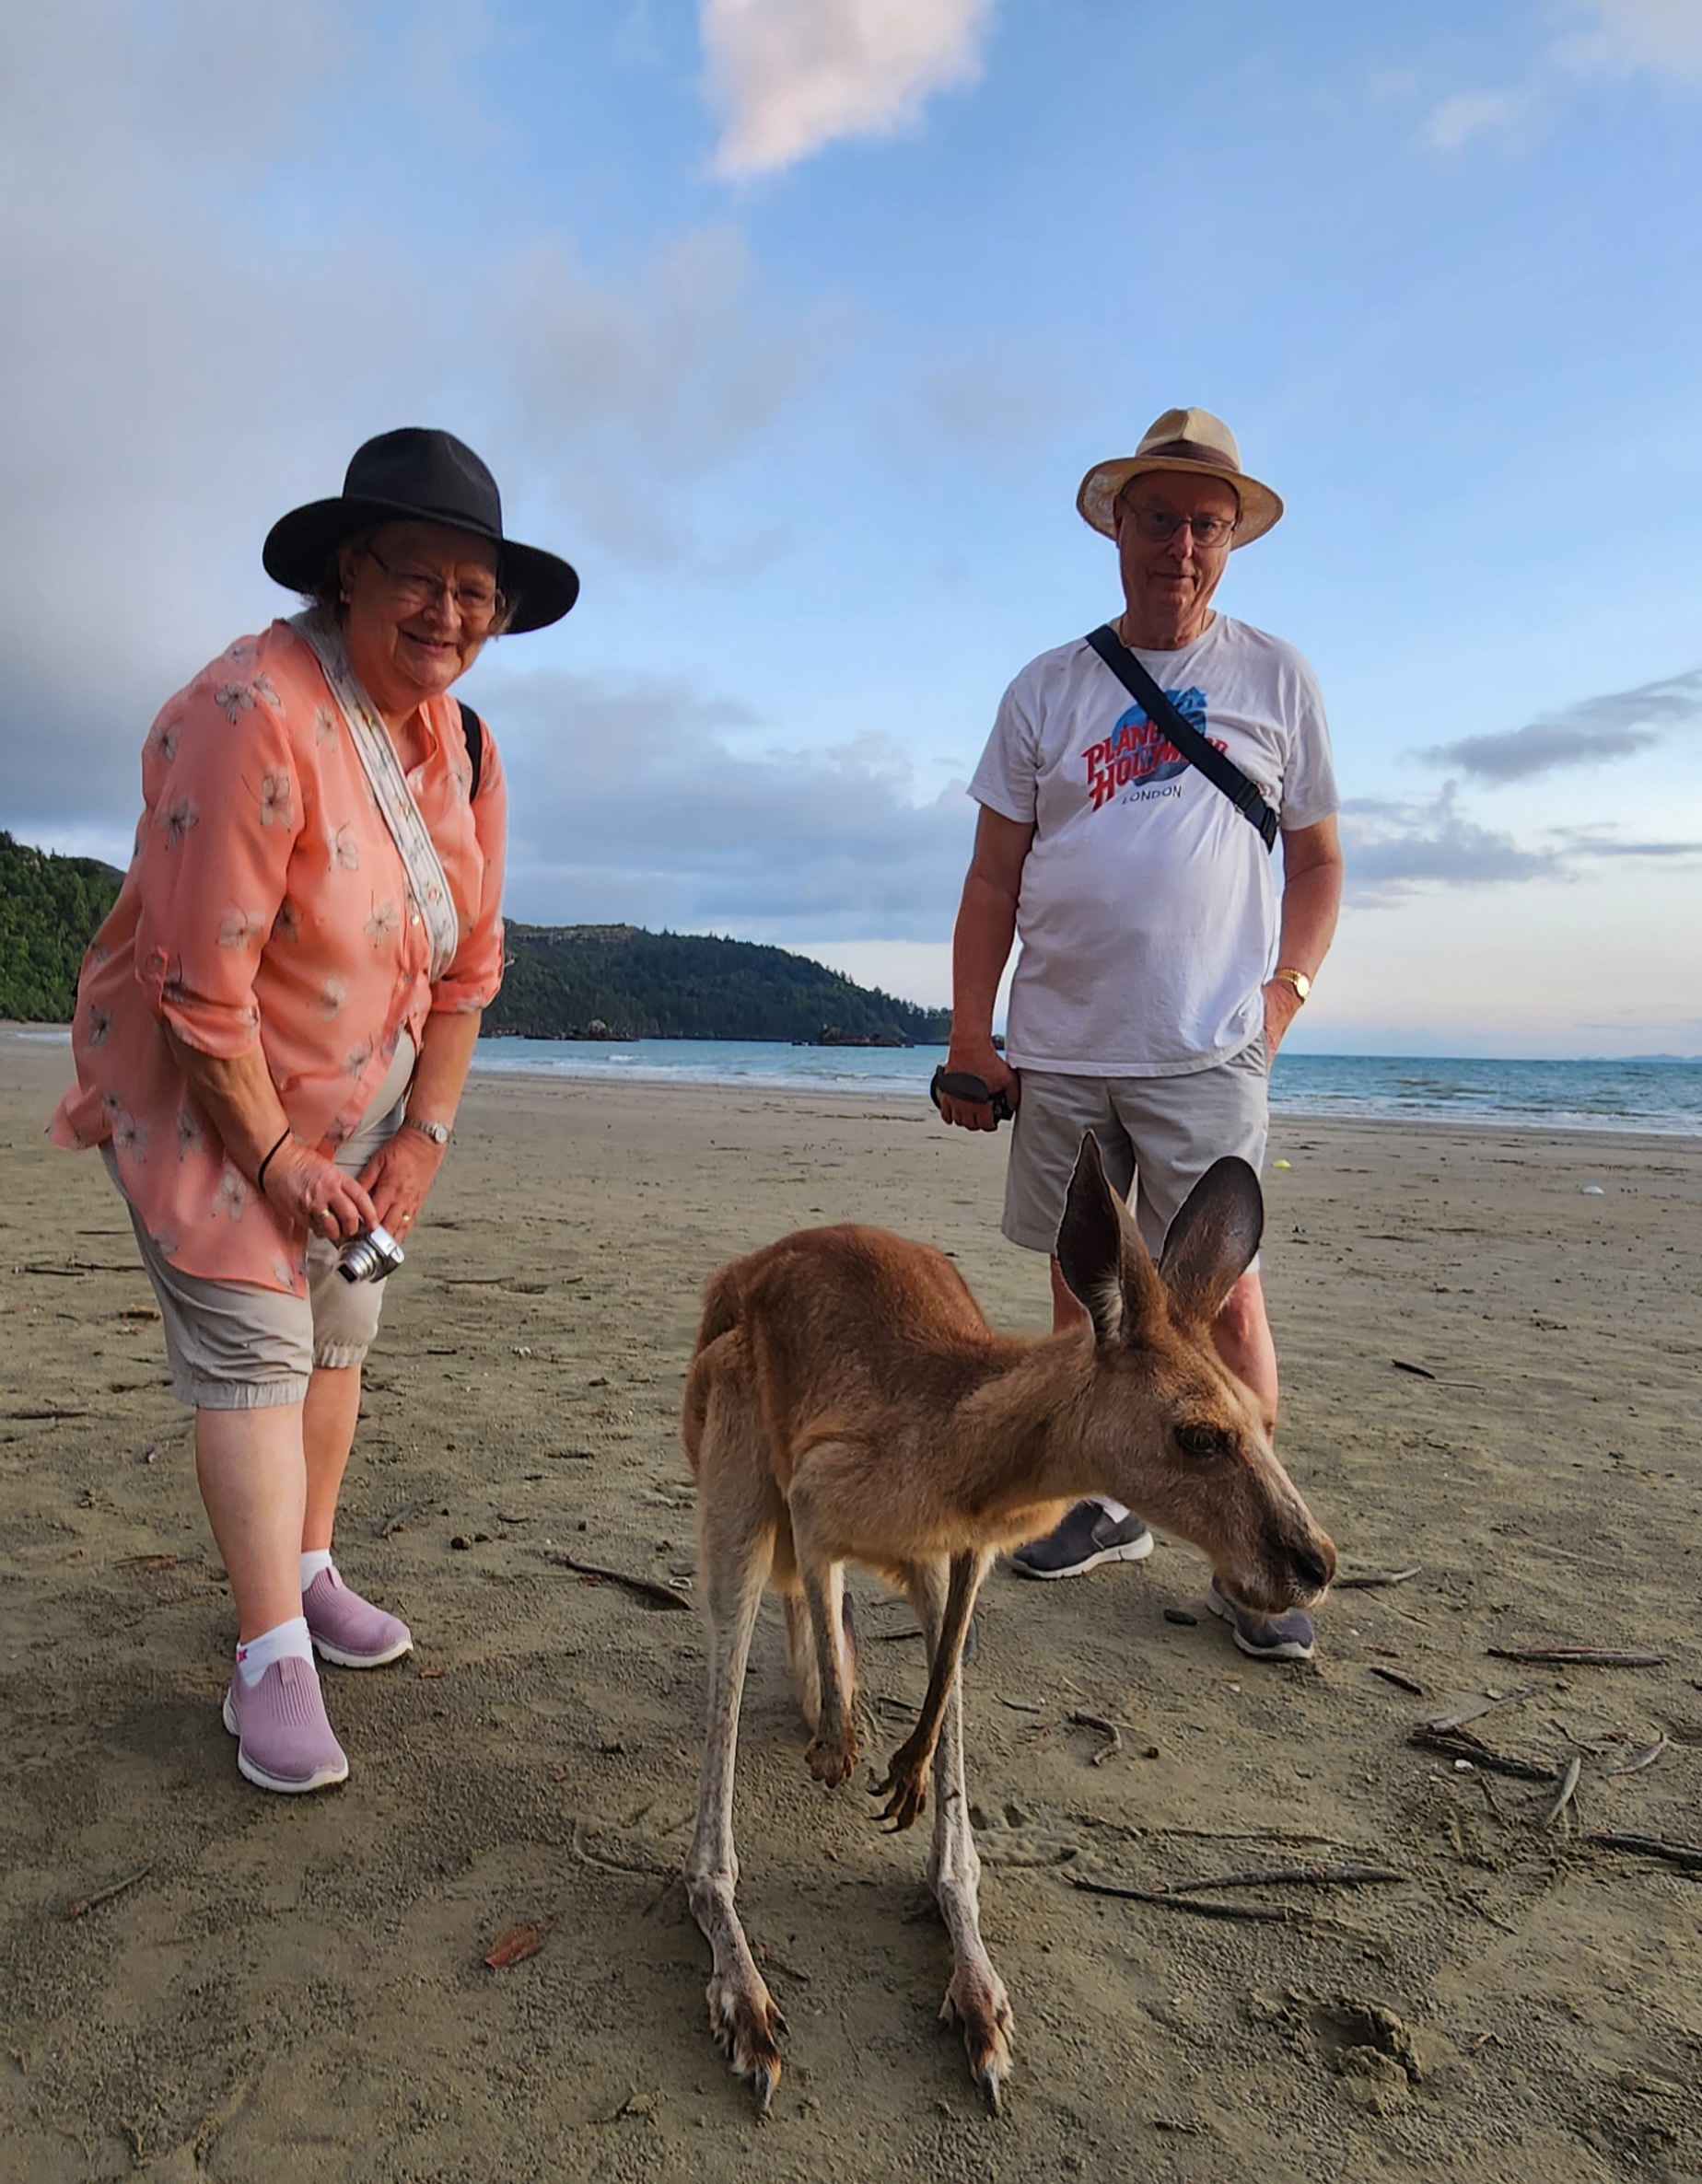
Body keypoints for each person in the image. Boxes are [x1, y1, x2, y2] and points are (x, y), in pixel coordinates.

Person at [51, 428, 578, 1789]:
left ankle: (310, 1564)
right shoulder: (247, 714)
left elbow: (471, 966)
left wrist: (421, 1137)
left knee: (339, 1326)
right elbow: (197, 989)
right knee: (255, 1346)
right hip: (198, 1084)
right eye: (419, 579)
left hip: (354, 1105)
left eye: (478, 594)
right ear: (350, 572)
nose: (449, 616)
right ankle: (266, 1655)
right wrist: (274, 1154)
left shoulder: (462, 742)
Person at [938, 406, 1344, 1660]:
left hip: (1206, 1051)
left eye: (1205, 524)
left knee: (1223, 1316)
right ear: (1118, 523)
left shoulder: (1275, 678)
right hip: (1060, 1048)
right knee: (1084, 1315)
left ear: (1232, 541)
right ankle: (1104, 1502)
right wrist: (973, 1032)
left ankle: (1254, 1561)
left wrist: (1286, 996)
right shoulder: (1048, 688)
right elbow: (994, 878)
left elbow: (1321, 862)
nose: (1180, 543)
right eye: (1158, 517)